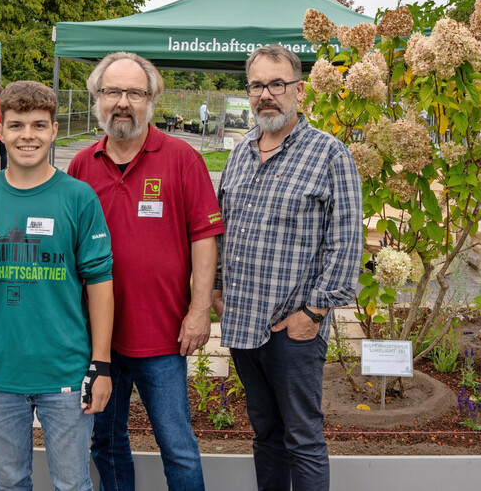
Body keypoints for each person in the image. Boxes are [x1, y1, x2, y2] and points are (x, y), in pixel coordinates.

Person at [68, 52, 223, 491]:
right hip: (99, 339)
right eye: (112, 91)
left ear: (151, 98)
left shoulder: (180, 159)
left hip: (162, 336)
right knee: (106, 443)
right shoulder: (81, 166)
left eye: (134, 92)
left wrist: (198, 311)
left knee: (177, 446)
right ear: (97, 98)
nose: (123, 102)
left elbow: (204, 239)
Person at [0, 80, 115, 490]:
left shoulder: (79, 197)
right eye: (17, 125)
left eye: (39, 125)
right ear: (0, 130)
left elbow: (99, 283)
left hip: (65, 370)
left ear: (54, 130)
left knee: (73, 484)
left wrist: (100, 364)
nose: (28, 135)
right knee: (9, 483)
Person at [213, 44, 362, 491]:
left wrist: (314, 314)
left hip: (294, 329)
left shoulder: (330, 154)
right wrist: (218, 287)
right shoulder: (240, 153)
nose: (266, 95)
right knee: (266, 435)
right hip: (243, 325)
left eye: (277, 84)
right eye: (257, 85)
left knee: (303, 438)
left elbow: (347, 241)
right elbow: (224, 227)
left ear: (298, 89)